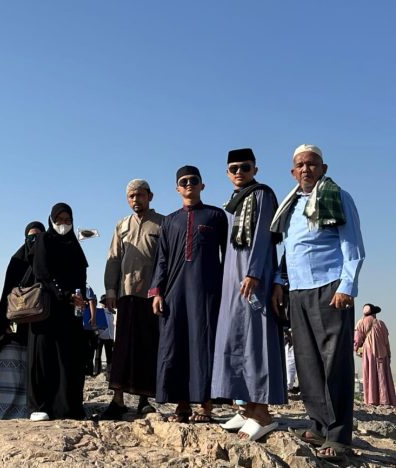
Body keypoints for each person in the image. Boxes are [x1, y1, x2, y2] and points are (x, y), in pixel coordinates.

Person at [270, 144, 365, 461]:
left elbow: (352, 244)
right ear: (293, 172)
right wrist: (280, 282)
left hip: (330, 288)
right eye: (300, 165)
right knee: (308, 362)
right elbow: (292, 250)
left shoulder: (337, 198)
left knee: (334, 363)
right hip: (298, 291)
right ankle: (318, 425)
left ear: (323, 169)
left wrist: (347, 285)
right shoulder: (293, 206)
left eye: (312, 164)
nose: (306, 169)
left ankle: (338, 437)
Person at [211, 148, 287, 441]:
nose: (239, 172)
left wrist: (254, 272)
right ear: (227, 172)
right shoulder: (232, 201)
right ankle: (244, 408)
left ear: (255, 168)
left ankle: (262, 413)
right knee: (234, 340)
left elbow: (263, 238)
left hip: (254, 278)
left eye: (245, 167)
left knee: (256, 342)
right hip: (232, 279)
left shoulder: (262, 195)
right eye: (233, 168)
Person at [150, 166, 227, 423]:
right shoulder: (169, 221)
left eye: (194, 180)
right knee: (177, 344)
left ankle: (205, 406)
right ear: (177, 188)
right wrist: (157, 292)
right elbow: (161, 259)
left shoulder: (216, 216)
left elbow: (228, 257)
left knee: (204, 344)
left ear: (202, 185)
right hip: (174, 292)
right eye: (184, 181)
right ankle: (182, 405)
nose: (189, 184)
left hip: (207, 291)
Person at [101, 179, 164, 420]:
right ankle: (117, 399)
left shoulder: (162, 223)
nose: (135, 200)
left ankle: (144, 401)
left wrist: (161, 290)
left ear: (150, 196)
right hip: (125, 293)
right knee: (121, 349)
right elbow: (113, 259)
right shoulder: (121, 225)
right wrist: (110, 291)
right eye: (131, 196)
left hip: (151, 295)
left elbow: (164, 259)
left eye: (140, 195)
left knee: (148, 347)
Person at [27, 203, 88, 421]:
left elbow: (81, 274)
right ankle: (40, 406)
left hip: (69, 313)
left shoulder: (73, 245)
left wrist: (79, 296)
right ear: (51, 219)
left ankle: (67, 407)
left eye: (67, 220)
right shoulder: (44, 240)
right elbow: (42, 272)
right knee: (45, 357)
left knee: (68, 358)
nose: (63, 224)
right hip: (48, 309)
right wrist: (64, 294)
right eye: (59, 219)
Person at [0, 221, 45, 420]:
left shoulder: (47, 260)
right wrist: (2, 323)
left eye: (39, 237)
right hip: (17, 325)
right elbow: (7, 292)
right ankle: (6, 413)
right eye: (31, 238)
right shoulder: (17, 261)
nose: (35, 241)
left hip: (40, 325)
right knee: (12, 370)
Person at [354, 304, 395, 406]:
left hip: (369, 353)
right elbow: (386, 342)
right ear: (375, 313)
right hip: (383, 353)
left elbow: (357, 340)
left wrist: (356, 349)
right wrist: (389, 354)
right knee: (383, 376)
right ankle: (385, 400)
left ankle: (372, 399)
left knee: (370, 374)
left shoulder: (361, 322)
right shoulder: (381, 324)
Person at [94, 294, 115, 379]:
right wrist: (96, 334)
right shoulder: (98, 311)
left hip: (109, 337)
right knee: (98, 355)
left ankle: (109, 373)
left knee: (109, 356)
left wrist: (113, 337)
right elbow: (94, 324)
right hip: (100, 337)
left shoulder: (111, 313)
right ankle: (97, 371)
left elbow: (112, 326)